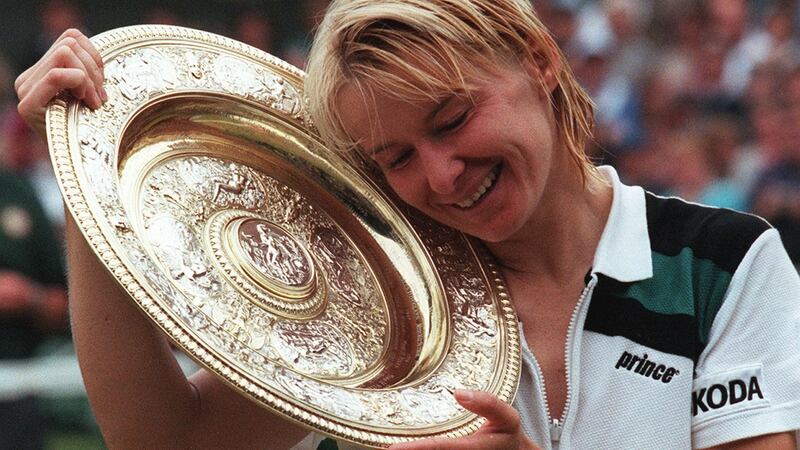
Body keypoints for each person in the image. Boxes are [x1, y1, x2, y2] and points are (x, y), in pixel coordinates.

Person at [14, 1, 800, 449]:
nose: (441, 175)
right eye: (394, 156)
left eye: (454, 119)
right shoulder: (386, 287)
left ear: (537, 58)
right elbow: (168, 446)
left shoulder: (726, 266)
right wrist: (93, 180)